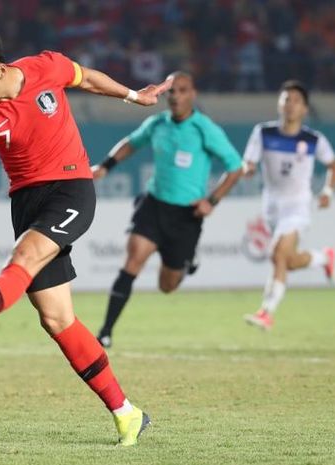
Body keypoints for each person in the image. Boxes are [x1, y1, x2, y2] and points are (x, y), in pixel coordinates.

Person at [0, 31, 173, 446]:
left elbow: (89, 79)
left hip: (70, 188)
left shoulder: (46, 67)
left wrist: (135, 96)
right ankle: (126, 413)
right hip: (25, 202)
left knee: (23, 258)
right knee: (56, 318)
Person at [93, 71, 243, 349]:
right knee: (132, 262)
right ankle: (105, 332)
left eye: (182, 91)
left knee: (167, 286)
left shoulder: (204, 129)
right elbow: (131, 144)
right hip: (154, 205)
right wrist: (105, 166)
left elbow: (236, 167)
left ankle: (187, 262)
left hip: (187, 216)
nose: (175, 96)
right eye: (171, 91)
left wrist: (212, 200)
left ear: (192, 94)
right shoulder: (157, 124)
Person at [242, 80, 335, 331]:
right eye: (286, 99)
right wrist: (248, 168)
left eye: (296, 101)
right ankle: (322, 258)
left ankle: (266, 313)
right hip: (272, 208)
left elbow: (333, 166)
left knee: (277, 255)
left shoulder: (313, 139)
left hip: (298, 207)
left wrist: (328, 190)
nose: (290, 105)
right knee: (287, 260)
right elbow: (249, 162)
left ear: (305, 109)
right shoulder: (263, 133)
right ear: (279, 104)